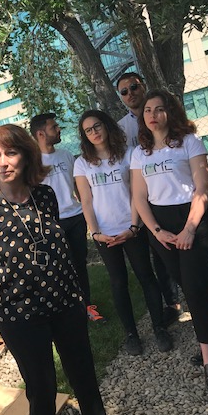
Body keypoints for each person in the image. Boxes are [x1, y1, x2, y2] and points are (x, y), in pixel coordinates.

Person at [0, 124, 123, 415]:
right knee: (41, 390)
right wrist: (3, 293)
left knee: (84, 377)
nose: (3, 162)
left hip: (65, 303)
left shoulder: (45, 196)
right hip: (22, 317)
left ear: (26, 155)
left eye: (10, 153)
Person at [131, 89, 208, 392]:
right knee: (189, 286)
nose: (152, 115)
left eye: (159, 109)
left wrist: (190, 229)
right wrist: (157, 231)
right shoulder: (139, 153)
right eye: (147, 110)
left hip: (193, 218)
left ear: (170, 112)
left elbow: (203, 187)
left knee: (194, 289)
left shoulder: (189, 142)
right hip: (161, 226)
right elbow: (139, 197)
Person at [74, 110, 172, 355]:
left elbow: (136, 193)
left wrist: (134, 227)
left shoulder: (129, 154)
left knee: (146, 275)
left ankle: (159, 327)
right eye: (88, 130)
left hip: (132, 228)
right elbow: (86, 201)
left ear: (107, 125)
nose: (94, 132)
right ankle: (131, 334)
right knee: (118, 282)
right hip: (105, 234)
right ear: (84, 136)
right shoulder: (81, 163)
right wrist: (95, 233)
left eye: (97, 126)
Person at [116, 72, 182, 325]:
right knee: (159, 254)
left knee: (190, 248)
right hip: (142, 197)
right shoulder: (121, 129)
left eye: (133, 87)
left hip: (172, 193)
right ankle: (172, 303)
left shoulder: (165, 114)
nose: (130, 93)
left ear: (143, 86)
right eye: (124, 91)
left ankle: (206, 300)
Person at [30, 112, 106, 323]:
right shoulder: (32, 163)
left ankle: (87, 306)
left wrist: (87, 212)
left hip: (76, 217)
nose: (58, 129)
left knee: (79, 264)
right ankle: (67, 309)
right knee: (60, 268)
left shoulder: (65, 155)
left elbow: (78, 187)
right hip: (52, 224)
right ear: (41, 134)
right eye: (54, 127)